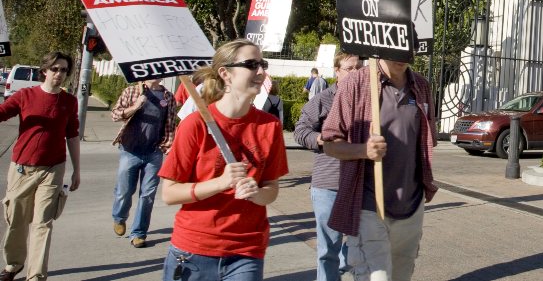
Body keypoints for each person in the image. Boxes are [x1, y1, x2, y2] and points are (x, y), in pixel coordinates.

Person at [158, 39, 288, 281]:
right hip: (194, 250)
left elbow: (271, 188)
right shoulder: (195, 125)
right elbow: (170, 193)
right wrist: (221, 182)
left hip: (246, 251)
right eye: (251, 64)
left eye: (263, 64)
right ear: (225, 74)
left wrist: (256, 193)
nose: (261, 72)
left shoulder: (270, 126)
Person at [321, 58, 437, 281]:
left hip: (411, 206)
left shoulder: (421, 85)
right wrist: (364, 150)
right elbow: (329, 143)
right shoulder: (356, 83)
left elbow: (427, 140)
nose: (402, 57)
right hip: (368, 205)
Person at [0, 52, 80, 281]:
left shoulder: (69, 101)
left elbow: (72, 136)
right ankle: (13, 265)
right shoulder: (25, 95)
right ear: (44, 71)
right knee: (16, 219)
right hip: (22, 168)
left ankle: (36, 276)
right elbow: (2, 113)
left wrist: (77, 170)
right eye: (55, 69)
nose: (59, 74)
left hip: (52, 169)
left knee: (42, 223)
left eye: (64, 70)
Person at [294, 53, 362, 281]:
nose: (355, 72)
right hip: (328, 183)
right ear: (337, 71)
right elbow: (301, 131)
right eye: (349, 68)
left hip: (361, 183)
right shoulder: (323, 99)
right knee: (328, 249)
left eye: (358, 68)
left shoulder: (370, 99)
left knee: (363, 242)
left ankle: (344, 263)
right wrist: (322, 138)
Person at [110, 78, 177, 248]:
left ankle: (139, 233)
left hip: (153, 152)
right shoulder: (132, 91)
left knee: (147, 195)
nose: (156, 75)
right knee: (125, 190)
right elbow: (115, 114)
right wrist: (135, 106)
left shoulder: (168, 96)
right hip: (130, 149)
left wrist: (167, 146)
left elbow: (169, 124)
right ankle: (120, 217)